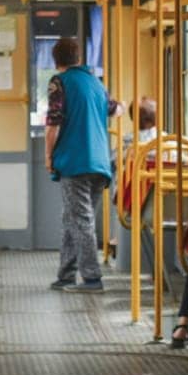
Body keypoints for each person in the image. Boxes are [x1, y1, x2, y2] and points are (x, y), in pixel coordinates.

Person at [45, 36, 112, 293]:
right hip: (100, 163)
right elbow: (114, 109)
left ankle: (92, 278)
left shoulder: (59, 82)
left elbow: (54, 123)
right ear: (79, 59)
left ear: (56, 60)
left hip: (75, 161)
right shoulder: (96, 82)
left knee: (80, 219)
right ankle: (66, 274)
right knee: (73, 217)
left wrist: (49, 157)